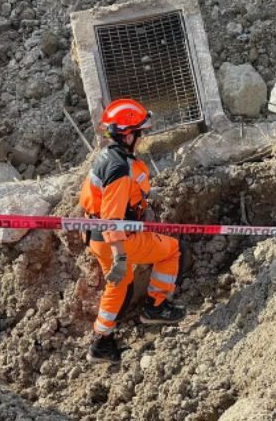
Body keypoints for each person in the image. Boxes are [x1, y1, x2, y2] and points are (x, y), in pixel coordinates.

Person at [79, 98, 184, 363]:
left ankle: (101, 343)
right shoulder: (120, 169)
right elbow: (112, 217)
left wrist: (143, 196)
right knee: (171, 250)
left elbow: (103, 200)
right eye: (140, 133)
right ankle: (156, 307)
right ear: (128, 135)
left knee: (120, 285)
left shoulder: (108, 157)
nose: (142, 138)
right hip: (117, 239)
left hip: (95, 237)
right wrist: (121, 256)